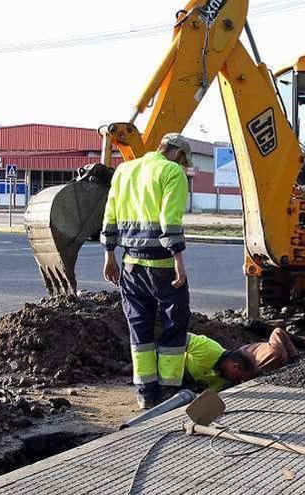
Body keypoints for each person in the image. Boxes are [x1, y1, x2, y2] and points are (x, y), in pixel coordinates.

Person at [101, 132, 193, 410]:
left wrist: (109, 255)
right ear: (177, 153)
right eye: (185, 161)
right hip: (163, 266)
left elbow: (111, 213)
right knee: (174, 328)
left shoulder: (124, 170)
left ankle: (144, 393)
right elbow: (170, 218)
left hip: (130, 265)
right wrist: (179, 260)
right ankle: (168, 393)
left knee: (138, 327)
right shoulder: (172, 171)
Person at [184, 329, 300, 392]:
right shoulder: (207, 349)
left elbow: (206, 395)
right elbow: (177, 338)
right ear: (235, 367)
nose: (240, 381)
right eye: (240, 377)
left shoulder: (223, 380)